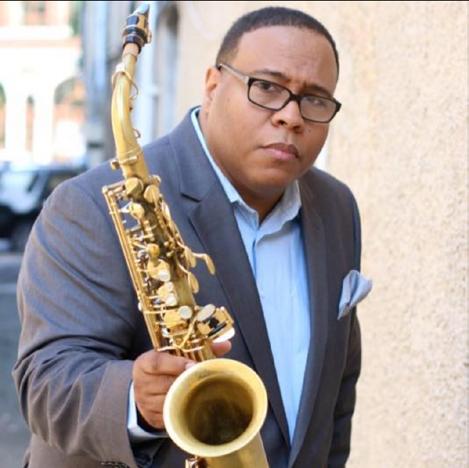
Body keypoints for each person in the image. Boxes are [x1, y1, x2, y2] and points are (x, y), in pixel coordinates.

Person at [14, 5, 371, 468]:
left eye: (315, 99)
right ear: (212, 85)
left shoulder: (337, 207)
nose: (291, 116)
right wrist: (135, 399)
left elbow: (336, 393)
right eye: (267, 87)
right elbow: (46, 382)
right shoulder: (91, 205)